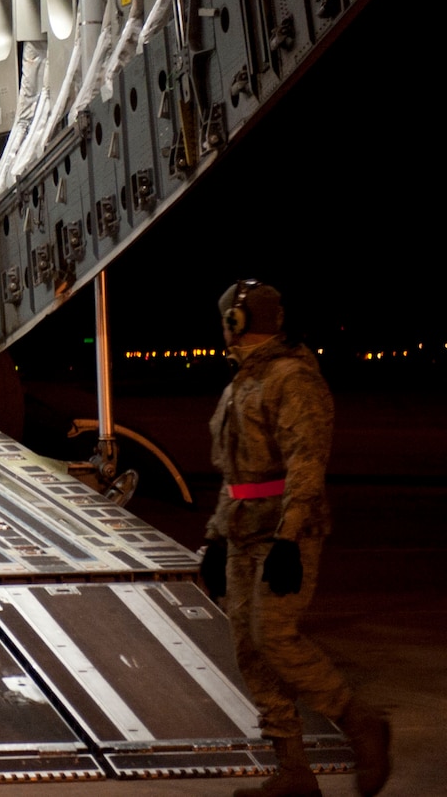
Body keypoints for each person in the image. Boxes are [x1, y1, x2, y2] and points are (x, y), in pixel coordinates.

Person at [198, 281, 390, 797]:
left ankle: (360, 721)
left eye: (227, 320)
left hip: (285, 530)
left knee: (274, 636)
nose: (224, 329)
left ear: (237, 321)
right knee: (249, 649)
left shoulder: (292, 378)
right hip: (242, 530)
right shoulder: (241, 381)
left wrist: (289, 539)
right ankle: (293, 770)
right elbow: (232, 472)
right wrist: (216, 536)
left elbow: (307, 462)